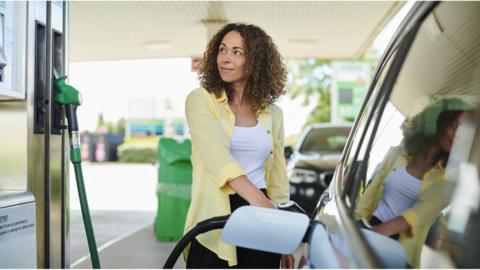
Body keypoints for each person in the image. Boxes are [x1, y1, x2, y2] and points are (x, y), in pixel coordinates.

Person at [183, 23, 294, 268]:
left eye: (237, 52)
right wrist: (259, 201)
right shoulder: (201, 101)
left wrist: (283, 234)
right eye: (222, 50)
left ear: (255, 61)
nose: (225, 58)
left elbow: (277, 178)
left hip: (261, 219)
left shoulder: (273, 114)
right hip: (216, 215)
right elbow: (216, 155)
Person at [355, 97, 474, 267]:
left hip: (398, 249)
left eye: (465, 132)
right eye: (454, 126)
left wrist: (364, 239)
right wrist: (352, 229)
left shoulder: (451, 178)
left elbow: (418, 214)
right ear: (440, 121)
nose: (457, 136)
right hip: (368, 226)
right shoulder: (397, 154)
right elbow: (368, 198)